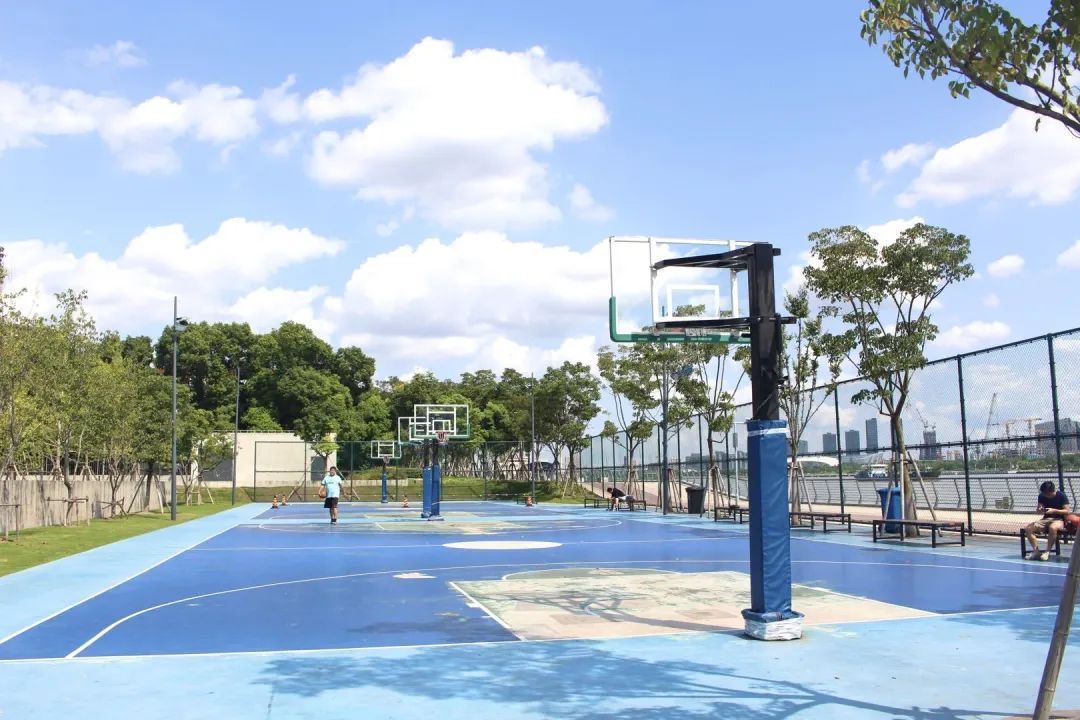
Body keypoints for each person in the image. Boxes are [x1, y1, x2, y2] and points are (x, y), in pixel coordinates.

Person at [1024, 481, 1071, 560]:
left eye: (1047, 493)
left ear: (1052, 491)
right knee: (1029, 528)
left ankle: (1047, 552)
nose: (1045, 495)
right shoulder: (1041, 496)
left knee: (1053, 527)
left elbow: (1067, 511)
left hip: (1059, 519)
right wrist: (1040, 510)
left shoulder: (1061, 496)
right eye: (1044, 493)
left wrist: (1054, 511)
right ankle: (1036, 551)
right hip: (1046, 519)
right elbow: (1039, 510)